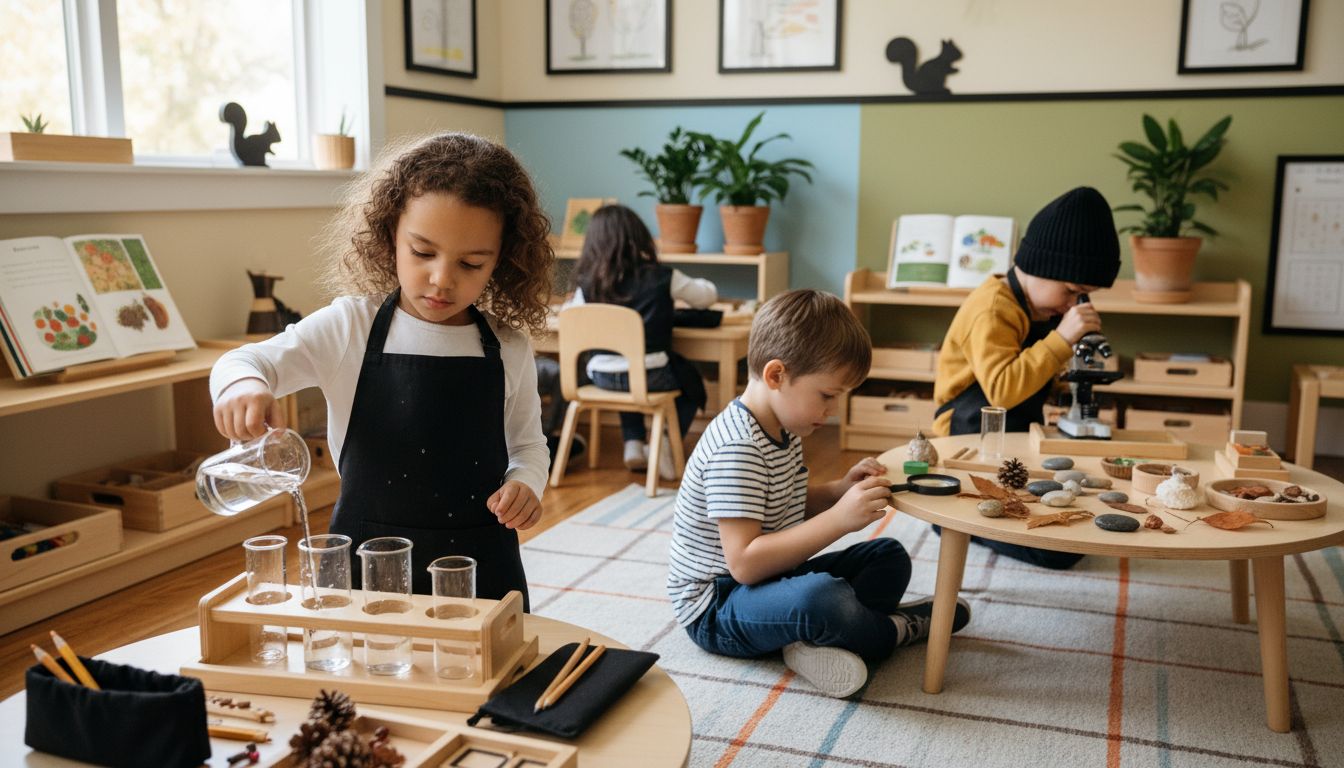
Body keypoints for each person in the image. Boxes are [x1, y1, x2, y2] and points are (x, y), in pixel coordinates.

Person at [210, 132, 553, 606]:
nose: (441, 279)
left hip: (481, 566)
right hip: (359, 563)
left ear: (502, 260)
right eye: (423, 252)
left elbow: (529, 444)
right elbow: (247, 360)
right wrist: (243, 385)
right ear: (390, 232)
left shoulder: (508, 346)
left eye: (471, 263)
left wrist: (525, 483)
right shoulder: (350, 325)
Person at [668, 290, 972, 698]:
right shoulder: (736, 448)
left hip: (765, 582)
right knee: (821, 598)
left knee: (888, 556)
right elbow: (743, 564)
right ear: (777, 375)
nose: (831, 410)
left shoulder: (782, 427)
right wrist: (838, 520)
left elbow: (782, 501)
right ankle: (893, 631)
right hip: (717, 607)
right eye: (827, 396)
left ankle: (809, 641)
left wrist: (837, 491)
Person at [931, 186, 1121, 570]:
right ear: (1039, 266)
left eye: (1084, 297)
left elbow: (1036, 380)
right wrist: (1062, 338)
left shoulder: (1039, 308)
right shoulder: (993, 309)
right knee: (1056, 551)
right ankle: (951, 521)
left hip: (1016, 436)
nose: (1073, 305)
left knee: (1071, 517)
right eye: (1072, 291)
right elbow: (1001, 389)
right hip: (969, 436)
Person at [569, 204, 717, 481]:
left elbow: (572, 317)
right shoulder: (661, 276)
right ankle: (660, 443)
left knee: (626, 372)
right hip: (650, 375)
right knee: (690, 384)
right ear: (638, 237)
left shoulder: (587, 283)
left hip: (601, 376)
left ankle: (633, 443)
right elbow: (706, 297)